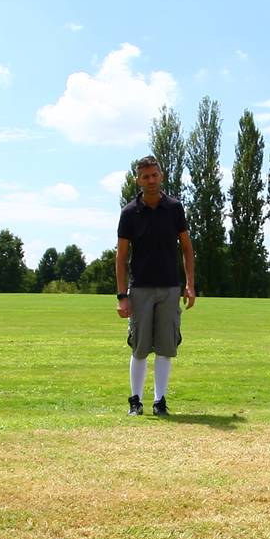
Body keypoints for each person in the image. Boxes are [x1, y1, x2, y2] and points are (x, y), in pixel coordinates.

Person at [115, 153, 196, 416]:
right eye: (145, 176)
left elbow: (186, 248)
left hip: (170, 288)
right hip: (140, 290)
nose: (150, 180)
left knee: (165, 347)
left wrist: (189, 284)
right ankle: (135, 401)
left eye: (154, 175)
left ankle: (160, 401)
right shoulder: (129, 213)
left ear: (161, 176)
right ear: (138, 180)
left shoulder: (174, 208)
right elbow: (121, 256)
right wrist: (121, 296)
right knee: (139, 348)